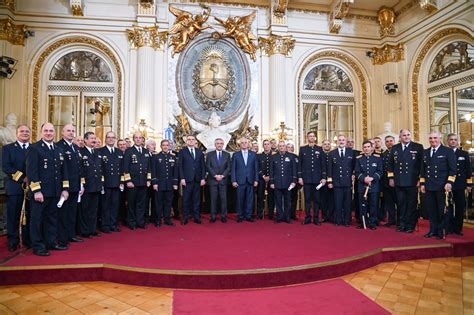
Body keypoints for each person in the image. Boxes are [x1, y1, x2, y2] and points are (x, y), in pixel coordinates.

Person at [26, 122, 69, 256]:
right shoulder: (34, 148)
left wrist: (65, 189)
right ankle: (38, 246)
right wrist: (36, 191)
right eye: (46, 131)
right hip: (41, 193)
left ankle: (50, 242)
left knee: (52, 218)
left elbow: (64, 171)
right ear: (41, 132)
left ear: (54, 133)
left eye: (51, 131)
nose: (49, 133)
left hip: (55, 191)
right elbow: (31, 172)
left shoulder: (58, 149)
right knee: (37, 219)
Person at [420, 131, 456, 240]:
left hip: (442, 186)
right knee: (431, 210)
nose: (433, 140)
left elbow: (453, 170)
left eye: (435, 138)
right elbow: (423, 170)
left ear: (440, 138)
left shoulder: (447, 151)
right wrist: (422, 183)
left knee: (442, 210)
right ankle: (433, 230)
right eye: (430, 138)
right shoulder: (425, 152)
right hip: (429, 186)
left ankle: (442, 231)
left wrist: (449, 183)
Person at [387, 129, 424, 233]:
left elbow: (422, 165)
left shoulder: (418, 147)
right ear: (400, 137)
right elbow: (390, 165)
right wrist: (391, 178)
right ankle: (401, 224)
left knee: (411, 204)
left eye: (408, 135)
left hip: (412, 181)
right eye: (404, 135)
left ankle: (410, 225)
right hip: (399, 181)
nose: (406, 137)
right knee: (401, 203)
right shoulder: (395, 148)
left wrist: (420, 180)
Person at [2, 124, 31, 252]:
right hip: (15, 187)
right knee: (13, 215)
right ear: (16, 133)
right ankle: (13, 240)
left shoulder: (34, 148)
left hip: (32, 188)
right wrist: (22, 178)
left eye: (27, 131)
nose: (25, 133)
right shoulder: (8, 148)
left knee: (30, 215)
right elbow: (6, 167)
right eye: (22, 131)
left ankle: (27, 239)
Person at [55, 124, 84, 247]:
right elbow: (60, 169)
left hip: (75, 185)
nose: (71, 133)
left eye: (73, 131)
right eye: (68, 131)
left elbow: (79, 168)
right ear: (62, 132)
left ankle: (71, 234)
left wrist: (81, 184)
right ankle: (62, 238)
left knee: (72, 212)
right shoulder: (58, 146)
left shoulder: (75, 147)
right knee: (63, 213)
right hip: (64, 187)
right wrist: (64, 187)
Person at [123, 132, 151, 229]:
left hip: (143, 182)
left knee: (141, 203)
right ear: (133, 139)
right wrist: (128, 181)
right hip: (133, 182)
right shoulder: (129, 151)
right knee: (131, 203)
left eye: (140, 138)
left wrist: (148, 180)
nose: (138, 139)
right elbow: (125, 168)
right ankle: (131, 222)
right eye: (136, 138)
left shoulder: (146, 151)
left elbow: (149, 167)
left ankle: (140, 222)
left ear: (143, 139)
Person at [97, 131, 124, 233]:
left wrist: (121, 181)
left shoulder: (119, 152)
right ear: (105, 139)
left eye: (113, 137)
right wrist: (102, 183)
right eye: (109, 137)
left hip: (117, 183)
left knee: (115, 205)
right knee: (105, 205)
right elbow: (99, 169)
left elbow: (122, 169)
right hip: (106, 183)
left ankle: (113, 224)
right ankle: (105, 225)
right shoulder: (100, 151)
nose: (111, 139)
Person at [298, 131, 327, 225]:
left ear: (315, 138)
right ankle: (307, 218)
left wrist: (323, 177)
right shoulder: (303, 149)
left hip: (317, 179)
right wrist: (300, 177)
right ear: (307, 138)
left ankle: (316, 219)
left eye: (313, 136)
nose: (311, 137)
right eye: (310, 136)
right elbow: (300, 165)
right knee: (307, 200)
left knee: (317, 200)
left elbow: (323, 165)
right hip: (306, 179)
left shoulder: (320, 149)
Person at [446, 133, 472, 236]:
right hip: (447, 184)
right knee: (449, 207)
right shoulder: (445, 152)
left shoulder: (464, 154)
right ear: (447, 141)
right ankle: (449, 227)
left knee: (460, 206)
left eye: (455, 140)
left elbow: (468, 170)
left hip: (460, 184)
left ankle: (458, 228)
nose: (453, 141)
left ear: (458, 141)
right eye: (451, 139)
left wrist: (469, 184)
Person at [79, 132, 103, 238]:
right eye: (91, 138)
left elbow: (100, 169)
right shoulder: (80, 152)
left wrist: (101, 183)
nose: (93, 140)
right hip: (86, 186)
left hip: (97, 185)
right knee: (85, 209)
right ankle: (85, 231)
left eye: (94, 138)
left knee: (94, 209)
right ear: (85, 140)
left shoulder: (97, 152)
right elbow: (80, 170)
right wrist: (81, 184)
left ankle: (92, 229)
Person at [355, 141, 383, 230]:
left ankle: (373, 222)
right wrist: (364, 179)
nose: (366, 148)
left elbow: (380, 172)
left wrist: (372, 178)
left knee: (373, 204)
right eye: (365, 147)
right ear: (363, 149)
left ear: (372, 148)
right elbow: (357, 172)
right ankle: (364, 222)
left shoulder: (377, 159)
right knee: (363, 205)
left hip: (374, 186)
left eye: (368, 147)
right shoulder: (359, 159)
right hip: (362, 186)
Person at [178, 135, 206, 224]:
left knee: (197, 199)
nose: (191, 141)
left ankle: (196, 217)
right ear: (186, 142)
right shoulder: (182, 152)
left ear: (195, 142)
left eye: (192, 139)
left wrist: (203, 178)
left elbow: (203, 166)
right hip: (187, 179)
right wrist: (182, 178)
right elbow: (180, 166)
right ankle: (185, 217)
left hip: (197, 179)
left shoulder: (199, 152)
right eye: (189, 139)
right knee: (186, 199)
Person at [327, 135, 354, 227]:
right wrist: (330, 182)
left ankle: (347, 221)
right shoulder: (332, 153)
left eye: (343, 140)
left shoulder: (351, 152)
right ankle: (338, 220)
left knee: (347, 203)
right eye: (340, 140)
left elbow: (354, 167)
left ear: (346, 141)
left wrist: (354, 175)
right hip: (336, 182)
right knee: (337, 202)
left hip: (347, 182)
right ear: (337, 142)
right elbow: (329, 169)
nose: (341, 141)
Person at [152, 139, 178, 227]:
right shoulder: (156, 157)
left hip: (169, 184)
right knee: (158, 203)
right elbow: (153, 171)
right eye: (164, 145)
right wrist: (154, 183)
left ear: (169, 146)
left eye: (167, 145)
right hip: (159, 184)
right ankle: (158, 220)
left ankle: (167, 219)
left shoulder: (173, 157)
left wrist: (175, 183)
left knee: (168, 202)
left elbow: (175, 172)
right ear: (161, 146)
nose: (165, 147)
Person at [231, 137, 258, 222]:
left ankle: (249, 216)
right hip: (240, 181)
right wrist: (233, 180)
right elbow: (233, 169)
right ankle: (240, 216)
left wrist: (256, 180)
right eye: (242, 143)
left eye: (245, 142)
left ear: (248, 143)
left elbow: (256, 168)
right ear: (240, 144)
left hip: (250, 180)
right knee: (240, 199)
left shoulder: (253, 154)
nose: (244, 144)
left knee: (250, 199)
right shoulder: (236, 155)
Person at [270, 141, 297, 223]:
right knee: (278, 201)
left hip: (288, 183)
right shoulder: (274, 157)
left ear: (285, 147)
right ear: (278, 147)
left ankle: (287, 217)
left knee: (288, 201)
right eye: (280, 146)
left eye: (283, 146)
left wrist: (294, 181)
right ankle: (280, 217)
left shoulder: (291, 156)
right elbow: (271, 170)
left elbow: (294, 170)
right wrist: (271, 182)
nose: (282, 147)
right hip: (277, 183)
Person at [206, 138, 231, 223]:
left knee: (223, 199)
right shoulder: (209, 154)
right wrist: (215, 175)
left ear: (223, 144)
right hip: (213, 180)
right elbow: (208, 166)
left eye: (221, 143)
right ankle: (213, 216)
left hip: (223, 181)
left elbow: (228, 167)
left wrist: (223, 175)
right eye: (217, 143)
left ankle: (223, 216)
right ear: (215, 145)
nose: (219, 145)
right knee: (213, 199)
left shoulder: (227, 154)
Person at [257, 139, 275, 220]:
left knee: (271, 197)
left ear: (270, 145)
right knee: (260, 197)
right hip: (262, 179)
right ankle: (260, 213)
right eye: (265, 144)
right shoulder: (259, 156)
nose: (266, 145)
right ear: (263, 146)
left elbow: (275, 168)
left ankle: (271, 214)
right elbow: (257, 167)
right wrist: (263, 176)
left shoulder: (275, 155)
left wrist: (270, 177)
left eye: (268, 144)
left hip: (272, 179)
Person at [381, 135, 397, 227]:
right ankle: (391, 220)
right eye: (387, 141)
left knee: (398, 202)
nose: (389, 142)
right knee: (389, 202)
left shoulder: (398, 151)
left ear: (394, 141)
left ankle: (400, 220)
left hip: (397, 181)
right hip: (386, 182)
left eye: (391, 141)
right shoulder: (384, 153)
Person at [320, 139, 334, 222]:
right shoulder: (320, 154)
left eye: (328, 144)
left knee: (332, 199)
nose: (327, 145)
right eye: (325, 144)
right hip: (322, 180)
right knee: (323, 199)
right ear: (322, 146)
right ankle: (324, 216)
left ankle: (331, 216)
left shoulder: (333, 154)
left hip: (332, 180)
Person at [286, 143, 300, 220]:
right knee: (287, 199)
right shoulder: (283, 156)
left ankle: (293, 214)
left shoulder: (296, 157)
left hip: (295, 182)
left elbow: (299, 169)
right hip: (286, 181)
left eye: (292, 147)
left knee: (294, 198)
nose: (290, 149)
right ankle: (287, 214)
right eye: (288, 147)